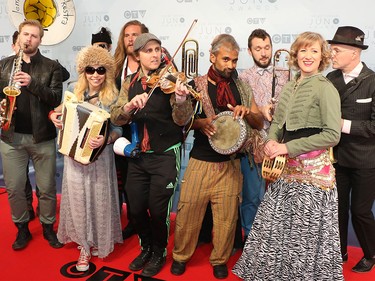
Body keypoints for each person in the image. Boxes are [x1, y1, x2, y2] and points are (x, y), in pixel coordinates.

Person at [232, 31, 343, 280]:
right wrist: (272, 141)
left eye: (314, 51)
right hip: (286, 172)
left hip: (314, 178)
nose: (308, 56)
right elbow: (277, 123)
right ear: (295, 54)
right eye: (303, 50)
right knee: (275, 233)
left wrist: (286, 148)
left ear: (322, 56)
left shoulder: (326, 88)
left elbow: (332, 135)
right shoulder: (291, 85)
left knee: (304, 239)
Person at [171, 34, 263, 279]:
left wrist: (247, 113)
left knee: (226, 218)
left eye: (234, 60)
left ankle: (220, 259)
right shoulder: (195, 85)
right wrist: (201, 123)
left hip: (231, 164)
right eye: (225, 59)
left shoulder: (241, 86)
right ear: (212, 57)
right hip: (201, 161)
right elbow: (181, 120)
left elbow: (259, 120)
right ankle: (180, 256)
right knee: (188, 213)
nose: (230, 65)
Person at [110, 33, 193, 277]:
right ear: (137, 55)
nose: (155, 54)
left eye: (157, 49)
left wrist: (180, 100)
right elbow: (116, 116)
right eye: (148, 51)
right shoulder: (129, 82)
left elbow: (183, 120)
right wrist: (128, 106)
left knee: (158, 211)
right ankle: (145, 247)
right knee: (135, 209)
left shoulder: (172, 80)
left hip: (165, 155)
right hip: (138, 156)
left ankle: (159, 252)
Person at [50, 46, 123, 271]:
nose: (95, 74)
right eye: (90, 69)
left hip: (101, 159)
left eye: (101, 69)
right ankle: (83, 245)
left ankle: (98, 240)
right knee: (79, 199)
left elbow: (119, 129)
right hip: (74, 158)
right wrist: (54, 116)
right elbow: (58, 111)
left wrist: (106, 139)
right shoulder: (73, 91)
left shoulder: (113, 95)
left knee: (98, 198)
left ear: (107, 72)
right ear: (83, 71)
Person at [0, 19, 63, 250]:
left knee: (46, 188)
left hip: (42, 138)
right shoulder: (4, 65)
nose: (29, 39)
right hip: (11, 137)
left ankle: (48, 227)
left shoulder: (51, 67)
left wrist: (32, 83)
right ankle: (22, 228)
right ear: (18, 37)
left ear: (40, 40)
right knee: (15, 188)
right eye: (25, 34)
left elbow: (55, 98)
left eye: (34, 36)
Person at [326, 26, 375, 273]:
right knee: (337, 209)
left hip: (367, 161)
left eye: (336, 50)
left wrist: (342, 124)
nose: (331, 54)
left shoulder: (374, 82)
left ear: (354, 52)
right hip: (336, 159)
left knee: (361, 211)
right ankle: (339, 251)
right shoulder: (330, 80)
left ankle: (371, 253)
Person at [238, 28, 289, 239]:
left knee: (279, 197)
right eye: (258, 49)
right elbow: (243, 113)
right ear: (250, 52)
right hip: (252, 147)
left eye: (267, 47)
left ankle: (276, 240)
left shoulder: (285, 74)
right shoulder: (243, 78)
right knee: (252, 196)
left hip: (280, 144)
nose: (264, 53)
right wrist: (260, 111)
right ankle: (252, 239)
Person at [112, 20, 149, 240]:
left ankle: (147, 220)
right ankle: (134, 221)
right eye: (127, 35)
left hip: (149, 134)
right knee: (127, 181)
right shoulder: (115, 68)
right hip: (123, 136)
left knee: (149, 183)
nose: (130, 39)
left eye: (135, 34)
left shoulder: (154, 66)